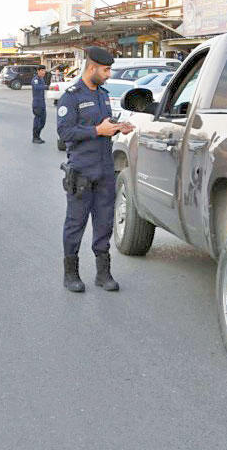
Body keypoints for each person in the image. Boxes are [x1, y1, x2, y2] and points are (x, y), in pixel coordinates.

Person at [57, 46, 134, 294]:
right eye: (106, 69)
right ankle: (71, 274)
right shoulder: (72, 96)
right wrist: (96, 131)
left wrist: (117, 127)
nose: (109, 74)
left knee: (104, 224)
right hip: (81, 172)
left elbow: (103, 125)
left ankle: (103, 273)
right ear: (92, 68)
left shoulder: (102, 94)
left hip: (104, 170)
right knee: (75, 224)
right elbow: (65, 132)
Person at [31, 65, 48, 144]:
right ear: (38, 71)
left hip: (42, 103)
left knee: (43, 121)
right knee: (37, 121)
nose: (43, 72)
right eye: (42, 71)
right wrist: (46, 87)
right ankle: (35, 137)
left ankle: (38, 136)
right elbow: (37, 87)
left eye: (44, 71)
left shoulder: (42, 79)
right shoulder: (35, 79)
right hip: (37, 104)